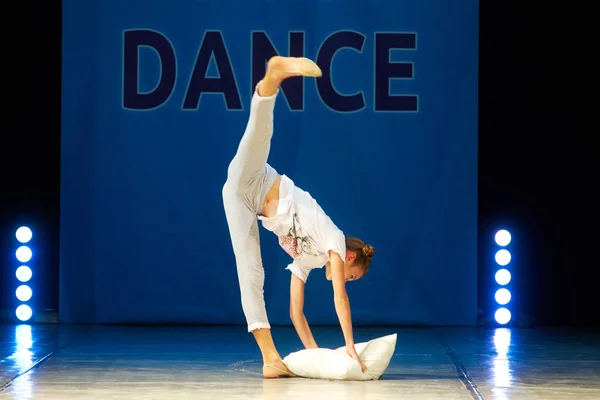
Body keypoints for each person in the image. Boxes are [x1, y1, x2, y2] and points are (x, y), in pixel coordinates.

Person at [222, 56, 375, 379]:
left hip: (242, 204)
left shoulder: (310, 260)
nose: (345, 280)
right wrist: (349, 345)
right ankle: (273, 78)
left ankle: (270, 358)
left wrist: (318, 359)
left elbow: (296, 313)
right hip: (255, 179)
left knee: (251, 273)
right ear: (348, 257)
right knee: (260, 132)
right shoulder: (333, 239)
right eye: (352, 275)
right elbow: (340, 298)